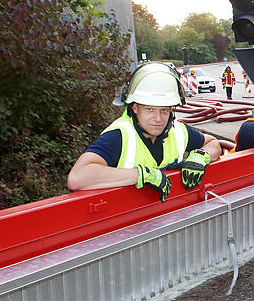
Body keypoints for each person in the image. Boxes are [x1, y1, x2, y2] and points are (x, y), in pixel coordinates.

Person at [67, 62, 223, 200]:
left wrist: (199, 158)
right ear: (135, 108)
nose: (158, 118)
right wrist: (140, 175)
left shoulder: (178, 131)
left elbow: (213, 143)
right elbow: (77, 178)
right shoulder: (120, 135)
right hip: (126, 222)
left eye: (164, 110)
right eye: (149, 109)